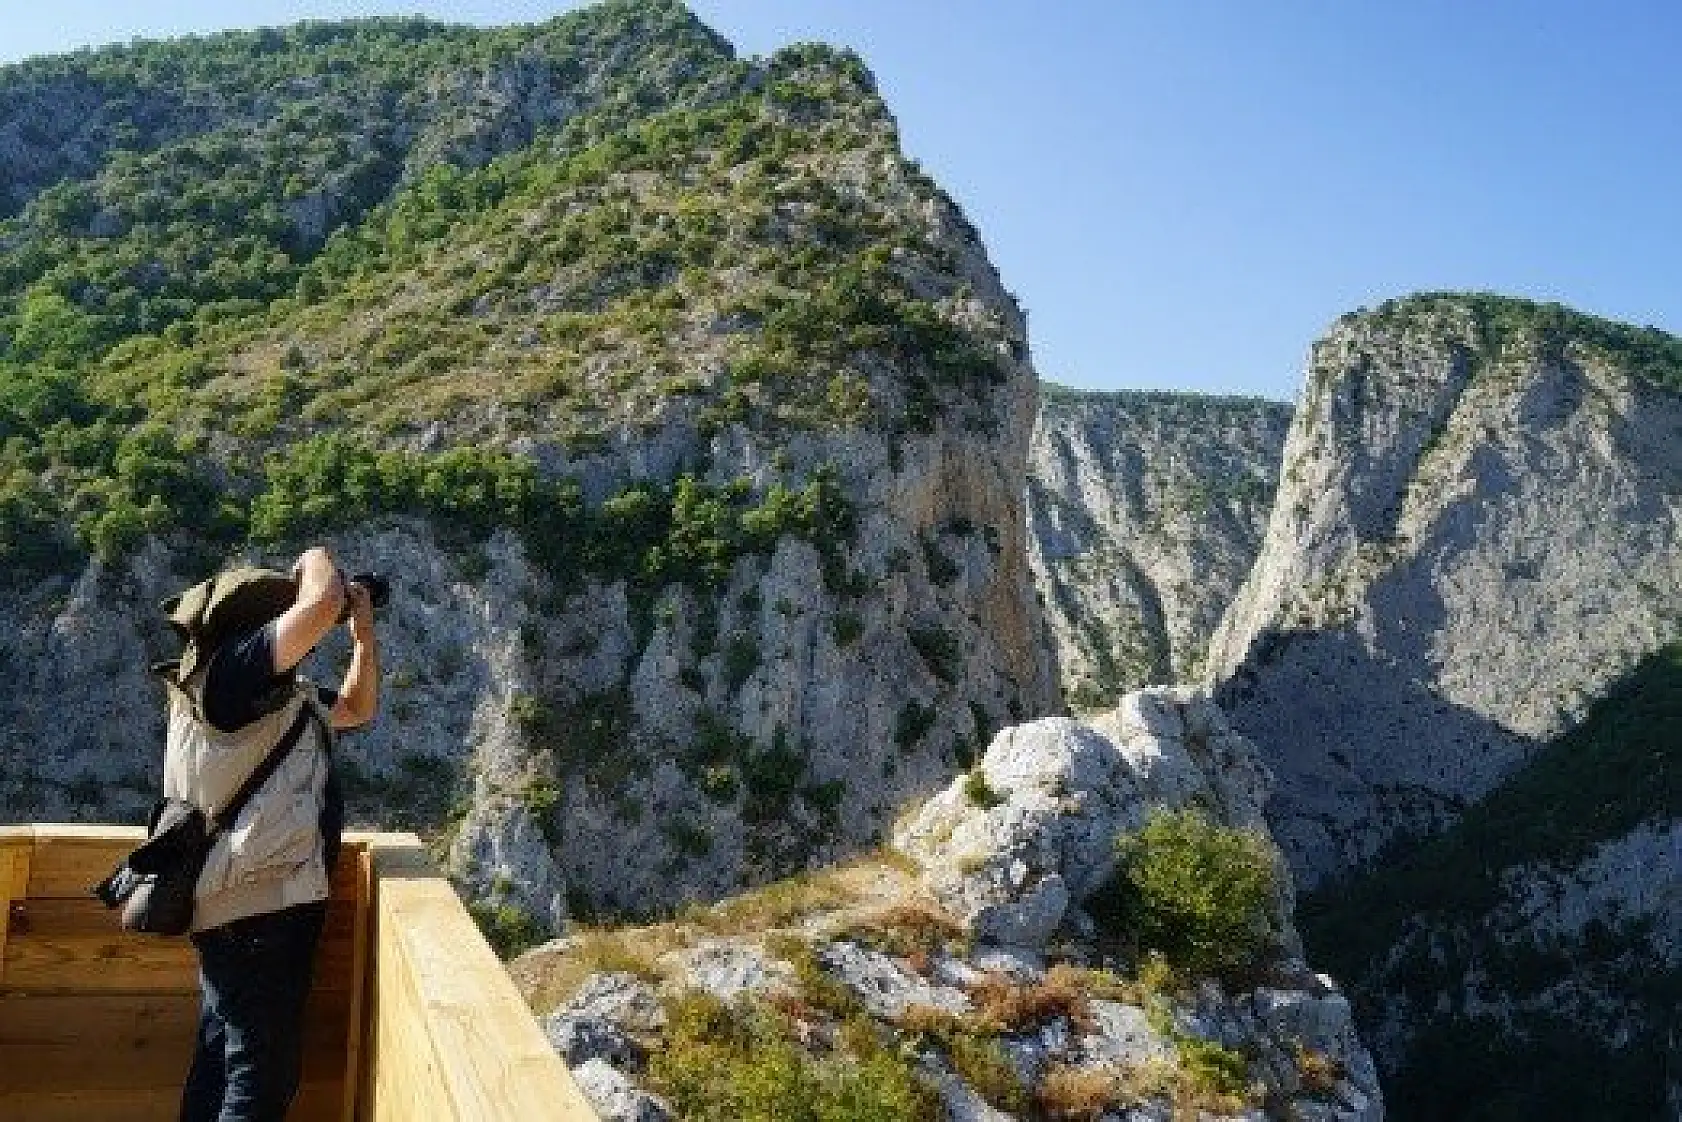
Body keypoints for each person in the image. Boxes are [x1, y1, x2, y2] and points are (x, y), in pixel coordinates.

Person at [163, 546, 381, 1122]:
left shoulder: (273, 697)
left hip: (252, 904)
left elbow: (356, 708)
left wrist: (361, 636)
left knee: (221, 1059)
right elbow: (321, 602)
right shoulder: (229, 674)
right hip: (257, 911)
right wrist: (316, 559)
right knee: (261, 1079)